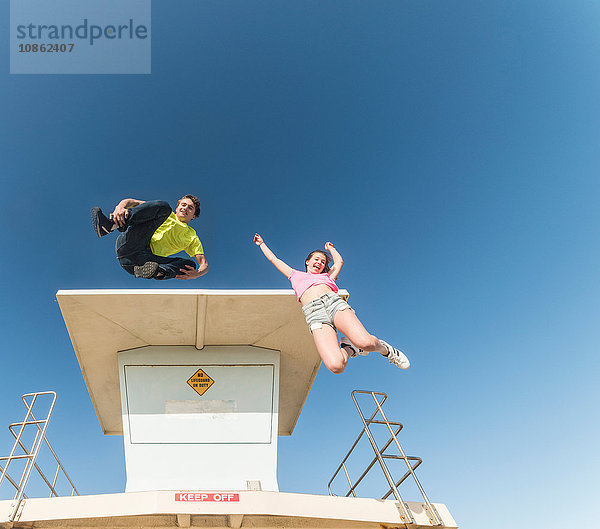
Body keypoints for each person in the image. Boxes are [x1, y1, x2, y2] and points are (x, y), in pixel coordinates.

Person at [253, 234, 409, 374]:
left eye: (323, 262)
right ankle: (349, 349)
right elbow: (275, 260)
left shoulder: (327, 277)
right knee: (336, 366)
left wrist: (331, 249)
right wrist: (262, 244)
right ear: (307, 262)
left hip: (333, 304)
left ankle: (386, 350)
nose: (320, 262)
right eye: (316, 259)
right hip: (314, 314)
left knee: (366, 343)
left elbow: (339, 261)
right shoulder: (294, 275)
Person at [91, 196, 208, 280]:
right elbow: (131, 201)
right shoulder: (165, 214)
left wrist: (197, 274)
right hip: (132, 243)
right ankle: (109, 225)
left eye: (190, 208)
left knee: (189, 265)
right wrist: (120, 207)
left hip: (143, 261)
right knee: (163, 207)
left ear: (194, 216)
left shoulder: (192, 237)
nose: (185, 209)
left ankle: (157, 271)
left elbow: (204, 264)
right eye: (183, 205)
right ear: (177, 208)